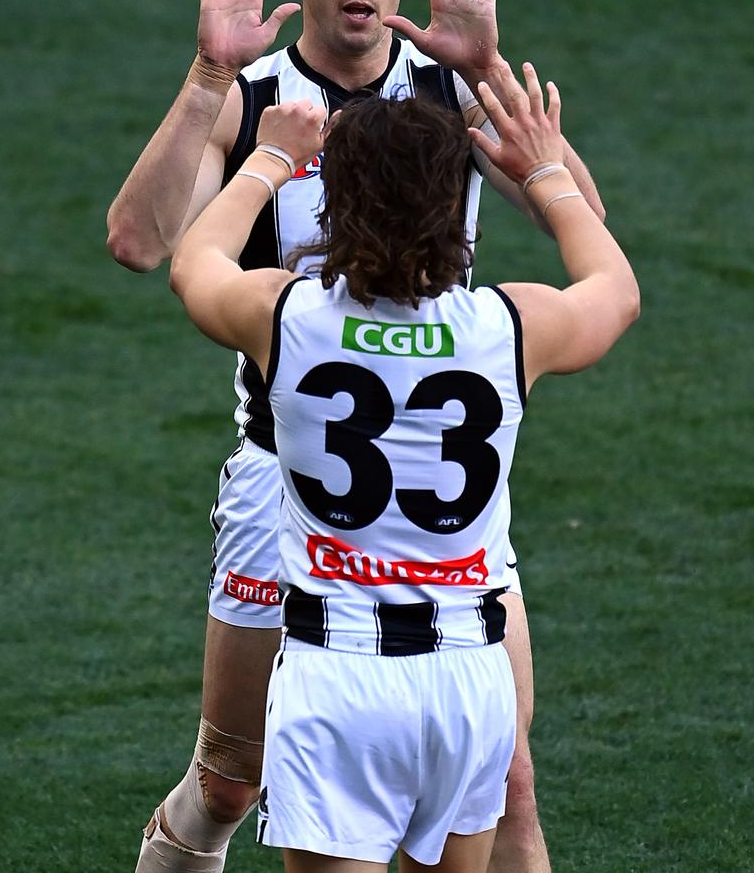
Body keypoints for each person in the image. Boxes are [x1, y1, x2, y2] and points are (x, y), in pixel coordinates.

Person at [106, 0, 606, 873]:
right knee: (230, 780)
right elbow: (138, 239)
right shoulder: (250, 97)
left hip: (433, 493)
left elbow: (581, 212)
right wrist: (208, 79)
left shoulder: (452, 90)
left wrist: (495, 69)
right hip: (278, 480)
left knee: (513, 782)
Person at [168, 59, 640, 873]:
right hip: (467, 678)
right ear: (453, 211)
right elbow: (616, 288)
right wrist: (546, 169)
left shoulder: (286, 317)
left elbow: (192, 263)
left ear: (337, 204)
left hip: (337, 678)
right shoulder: (510, 325)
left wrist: (269, 158)